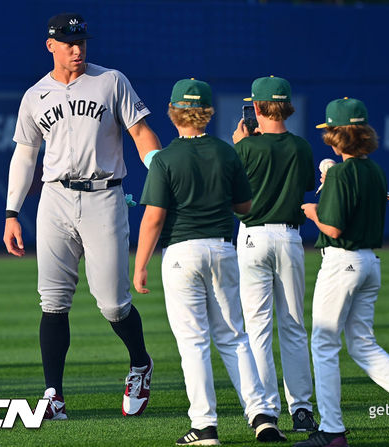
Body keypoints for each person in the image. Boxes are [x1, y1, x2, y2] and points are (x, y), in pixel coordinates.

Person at [2, 12, 161, 419]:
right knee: (52, 301)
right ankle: (53, 394)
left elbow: (141, 133)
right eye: (69, 42)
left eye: (83, 42)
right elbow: (25, 155)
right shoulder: (35, 94)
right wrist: (12, 212)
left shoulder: (111, 81)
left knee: (112, 304)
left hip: (103, 196)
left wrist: (160, 169)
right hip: (54, 199)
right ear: (50, 44)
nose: (78, 49)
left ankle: (140, 364)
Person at [133, 78, 286, 445]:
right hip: (221, 250)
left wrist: (139, 266)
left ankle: (205, 426)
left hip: (181, 254)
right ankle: (263, 416)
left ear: (173, 113)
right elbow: (244, 207)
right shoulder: (225, 152)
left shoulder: (166, 158)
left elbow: (154, 217)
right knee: (235, 337)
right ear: (208, 113)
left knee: (194, 342)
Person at [296, 97, 389, 447]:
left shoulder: (342, 173)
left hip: (341, 262)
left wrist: (312, 211)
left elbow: (333, 228)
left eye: (330, 130)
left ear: (339, 134)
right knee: (362, 344)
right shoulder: (375, 170)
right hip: (368, 264)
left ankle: (332, 432)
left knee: (324, 344)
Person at [231, 75, 318, 432]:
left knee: (257, 329)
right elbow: (306, 188)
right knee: (294, 326)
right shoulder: (301, 146)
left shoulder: (244, 148)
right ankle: (302, 410)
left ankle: (266, 410)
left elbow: (232, 192)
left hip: (252, 237)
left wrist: (240, 144)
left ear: (258, 107)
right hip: (290, 238)